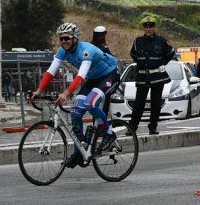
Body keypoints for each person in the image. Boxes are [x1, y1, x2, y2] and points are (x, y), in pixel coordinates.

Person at [27, 23, 120, 168]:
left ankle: (108, 134)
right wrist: (38, 91)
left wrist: (66, 93)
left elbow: (81, 75)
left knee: (90, 103)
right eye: (61, 39)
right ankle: (78, 153)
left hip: (110, 74)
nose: (64, 41)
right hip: (93, 78)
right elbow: (51, 72)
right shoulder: (62, 51)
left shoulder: (86, 50)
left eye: (67, 38)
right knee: (76, 112)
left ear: (75, 38)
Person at [129, 16, 174, 135]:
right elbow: (133, 54)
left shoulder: (161, 40)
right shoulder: (137, 41)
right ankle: (132, 127)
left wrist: (161, 63)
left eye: (151, 26)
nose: (148, 29)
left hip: (157, 76)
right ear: (144, 28)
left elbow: (171, 53)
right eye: (146, 26)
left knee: (155, 104)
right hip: (143, 76)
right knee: (138, 103)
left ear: (154, 27)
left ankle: (153, 127)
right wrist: (142, 64)